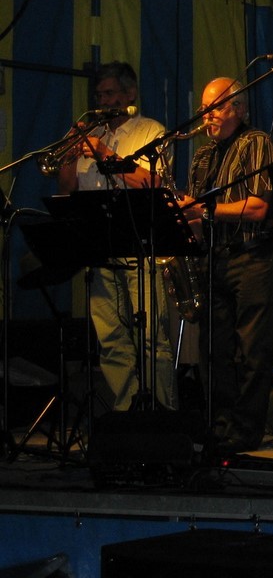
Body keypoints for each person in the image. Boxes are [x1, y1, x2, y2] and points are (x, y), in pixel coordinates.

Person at [56, 61, 178, 411]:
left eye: (108, 94)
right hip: (99, 245)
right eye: (98, 95)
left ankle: (162, 414)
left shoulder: (150, 131)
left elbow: (153, 183)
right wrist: (68, 153)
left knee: (151, 336)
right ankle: (126, 414)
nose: (101, 101)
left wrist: (105, 153)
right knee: (110, 338)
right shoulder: (93, 137)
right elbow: (67, 191)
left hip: (139, 245)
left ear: (130, 95)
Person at [177, 78, 273, 453]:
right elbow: (198, 215)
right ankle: (219, 427)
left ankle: (245, 431)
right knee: (213, 350)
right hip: (214, 260)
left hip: (253, 256)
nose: (207, 118)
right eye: (204, 111)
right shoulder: (203, 155)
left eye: (215, 109)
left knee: (251, 351)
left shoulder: (257, 143)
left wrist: (203, 210)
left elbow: (258, 207)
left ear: (237, 109)